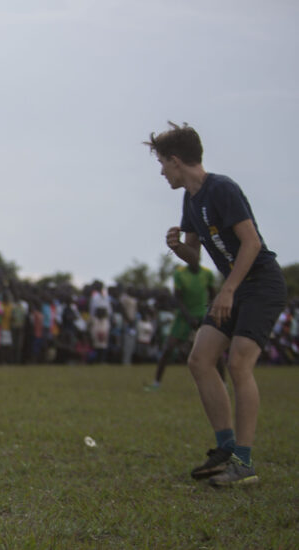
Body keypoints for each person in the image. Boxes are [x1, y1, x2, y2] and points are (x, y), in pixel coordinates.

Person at [146, 121, 286, 487]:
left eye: (162, 163)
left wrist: (227, 290)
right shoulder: (190, 199)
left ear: (176, 161)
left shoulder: (222, 189)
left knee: (239, 363)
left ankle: (244, 462)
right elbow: (195, 257)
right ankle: (225, 448)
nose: (161, 172)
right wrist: (178, 247)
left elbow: (252, 244)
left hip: (261, 285)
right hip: (236, 285)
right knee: (199, 359)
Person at [146, 260, 222, 390]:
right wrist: (188, 318)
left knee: (215, 349)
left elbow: (212, 295)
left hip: (202, 315)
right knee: (168, 348)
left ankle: (223, 383)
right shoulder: (180, 273)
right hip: (183, 316)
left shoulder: (207, 273)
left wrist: (210, 312)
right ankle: (156, 383)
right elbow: (178, 298)